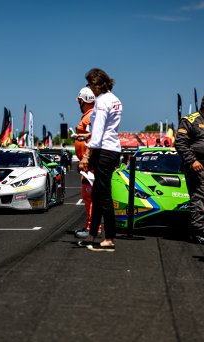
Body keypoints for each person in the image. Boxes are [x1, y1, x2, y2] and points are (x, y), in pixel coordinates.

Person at [78, 68, 122, 252]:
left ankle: (109, 237)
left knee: (103, 195)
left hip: (103, 151)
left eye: (90, 85)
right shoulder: (115, 99)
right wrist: (88, 134)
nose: (90, 88)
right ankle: (93, 234)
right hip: (111, 148)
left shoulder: (103, 101)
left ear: (97, 84)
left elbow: (98, 133)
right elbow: (107, 128)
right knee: (97, 193)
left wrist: (86, 155)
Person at [174, 93, 204, 244]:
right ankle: (198, 232)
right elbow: (180, 144)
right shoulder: (190, 120)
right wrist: (192, 161)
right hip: (196, 166)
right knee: (199, 199)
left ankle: (202, 230)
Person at [73, 86, 96, 238]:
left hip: (90, 164)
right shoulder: (89, 116)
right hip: (88, 163)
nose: (78, 104)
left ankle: (91, 227)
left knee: (89, 196)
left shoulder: (89, 117)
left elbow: (94, 138)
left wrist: (86, 159)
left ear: (84, 101)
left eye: (79, 101)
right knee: (90, 196)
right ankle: (91, 226)